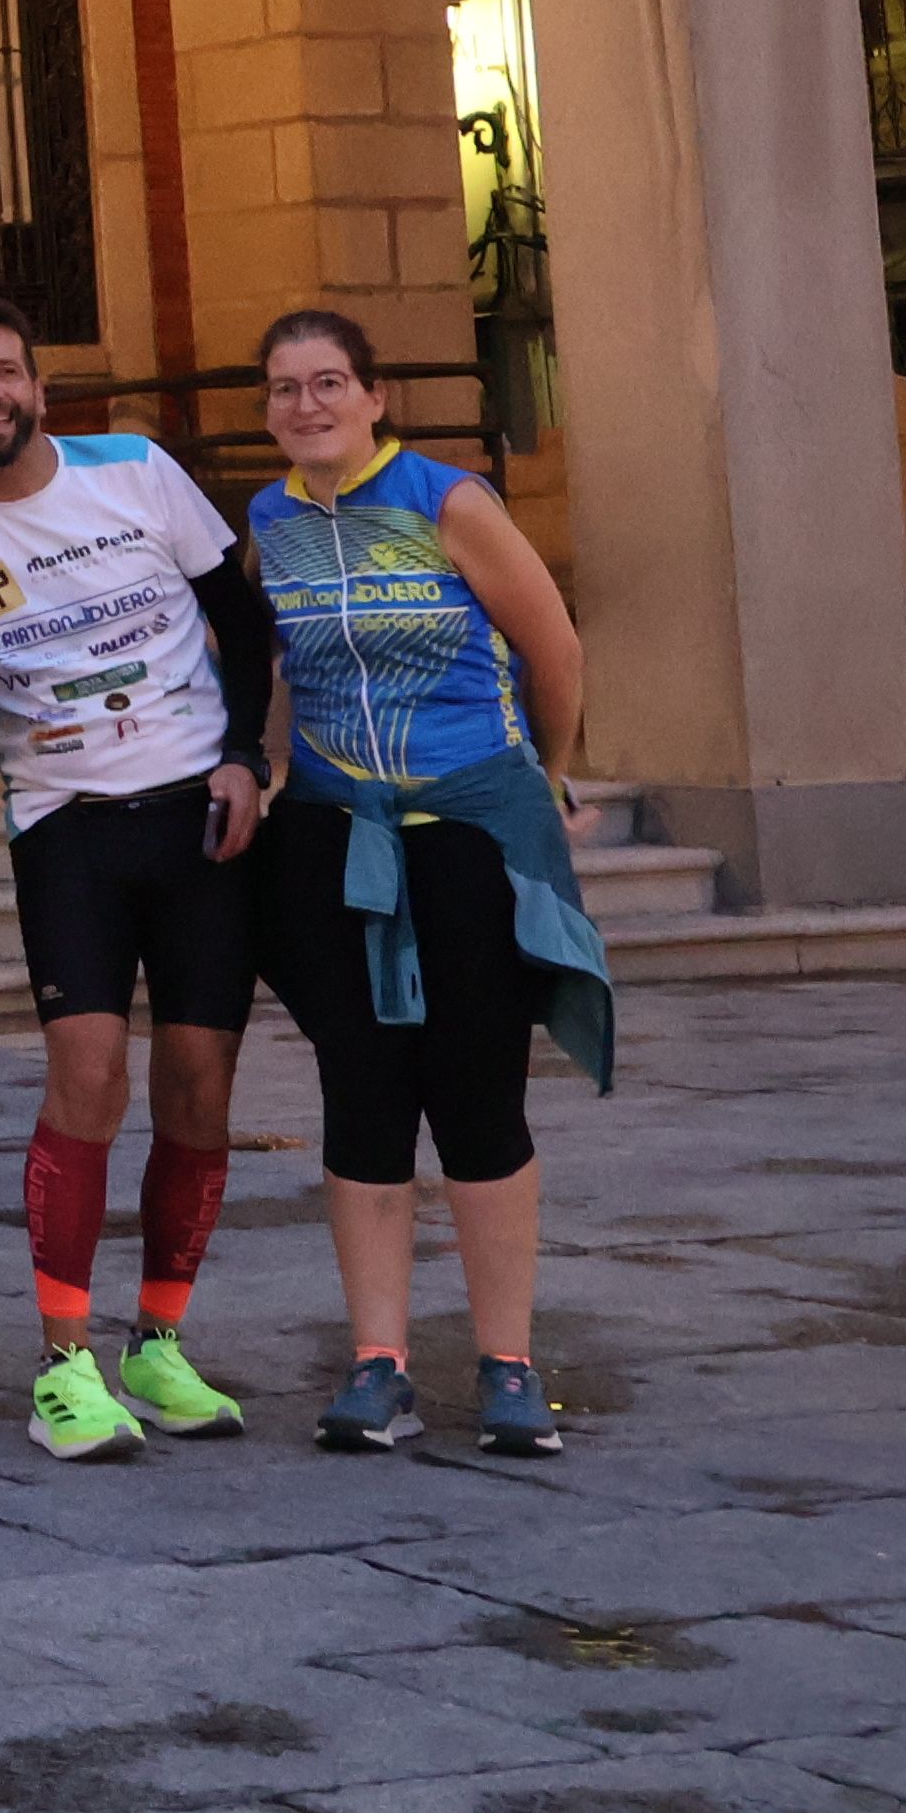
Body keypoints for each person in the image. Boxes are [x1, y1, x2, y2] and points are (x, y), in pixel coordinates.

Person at [0, 295, 281, 1463]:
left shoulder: (137, 470)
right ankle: (64, 1366)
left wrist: (247, 759)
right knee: (90, 1074)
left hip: (199, 813)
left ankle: (158, 1341)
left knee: (202, 1082)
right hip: (67, 827)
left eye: (5, 370)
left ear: (39, 385)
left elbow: (242, 622)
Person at [238, 306, 608, 1461]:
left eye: (330, 381)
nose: (309, 404)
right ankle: (377, 1363)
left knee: (477, 1089)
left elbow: (554, 650)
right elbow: (278, 667)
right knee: (362, 1089)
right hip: (337, 839)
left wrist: (545, 776)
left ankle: (507, 1365)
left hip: (467, 836)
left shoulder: (448, 501)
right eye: (287, 388)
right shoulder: (268, 519)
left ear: (375, 393)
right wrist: (270, 766)